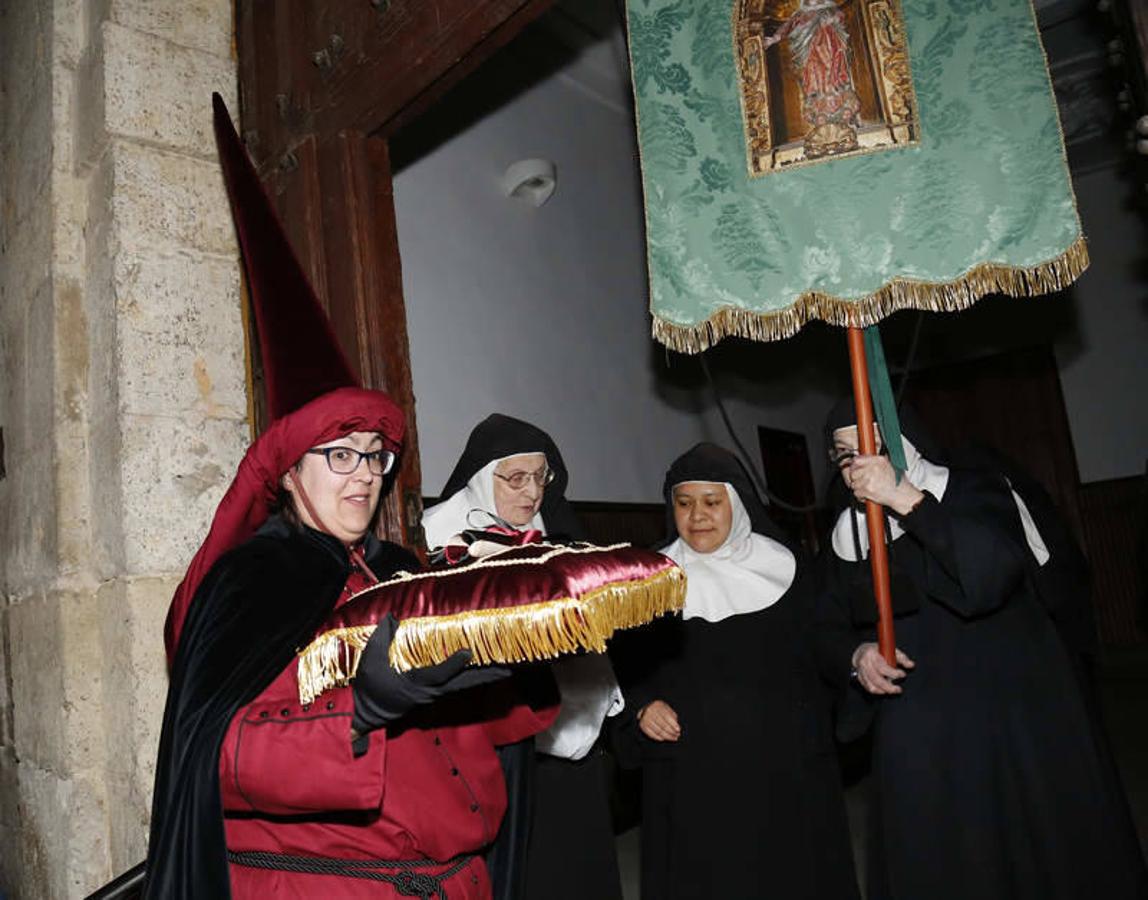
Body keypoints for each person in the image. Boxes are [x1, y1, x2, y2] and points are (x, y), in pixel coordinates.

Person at [145, 388, 557, 899]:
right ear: (290, 472)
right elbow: (223, 757)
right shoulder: (252, 582)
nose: (366, 474)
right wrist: (358, 713)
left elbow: (472, 729)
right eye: (342, 454)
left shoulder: (402, 573)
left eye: (375, 455)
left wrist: (523, 652)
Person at [816, 400, 1148, 900]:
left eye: (869, 446)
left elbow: (988, 577)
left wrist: (904, 498)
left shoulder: (973, 489)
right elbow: (825, 623)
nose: (855, 464)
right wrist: (856, 655)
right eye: (843, 454)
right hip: (919, 720)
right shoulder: (848, 532)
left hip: (1008, 709)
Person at [613, 442, 859, 900]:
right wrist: (642, 706)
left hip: (781, 767)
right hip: (690, 775)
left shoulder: (790, 569)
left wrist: (856, 659)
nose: (697, 516)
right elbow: (620, 668)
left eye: (712, 502)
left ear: (738, 504)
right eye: (684, 504)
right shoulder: (642, 582)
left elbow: (826, 645)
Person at [422, 414, 625, 900]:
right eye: (516, 478)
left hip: (569, 731)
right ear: (481, 478)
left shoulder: (553, 529)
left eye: (540, 476)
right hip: (491, 741)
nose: (532, 492)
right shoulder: (438, 536)